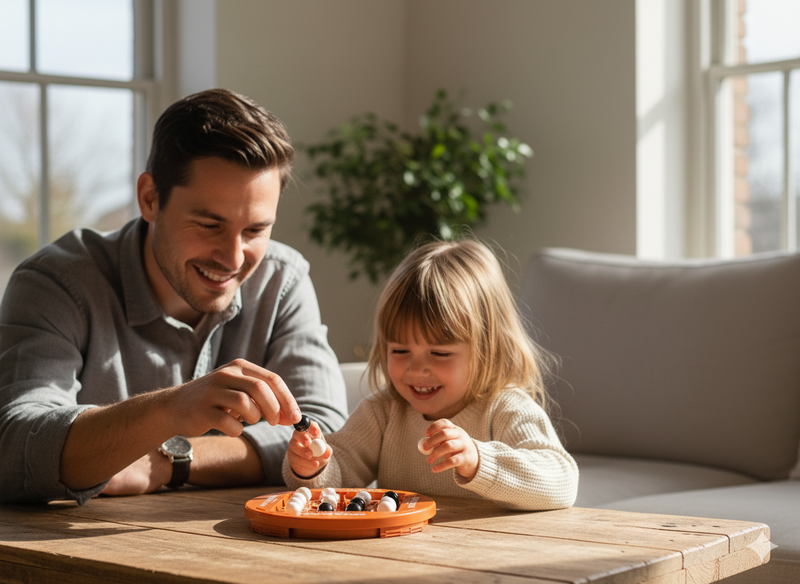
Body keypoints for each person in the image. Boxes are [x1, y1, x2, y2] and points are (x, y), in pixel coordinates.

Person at [0, 88, 348, 504]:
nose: (233, 257)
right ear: (150, 198)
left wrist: (170, 459)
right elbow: (16, 448)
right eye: (208, 224)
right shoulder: (56, 282)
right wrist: (170, 410)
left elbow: (327, 437)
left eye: (255, 230)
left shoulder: (282, 279)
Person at [283, 239, 579, 510]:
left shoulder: (505, 408)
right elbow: (339, 474)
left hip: (493, 558)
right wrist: (312, 467)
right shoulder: (384, 411)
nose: (416, 369)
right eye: (400, 351)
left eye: (439, 353)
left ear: (487, 348)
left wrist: (478, 460)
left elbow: (562, 481)